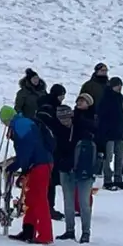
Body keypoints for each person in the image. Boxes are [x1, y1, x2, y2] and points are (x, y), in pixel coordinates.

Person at [0, 106, 53, 244]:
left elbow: (26, 148)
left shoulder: (20, 125)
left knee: (40, 199)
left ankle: (45, 235)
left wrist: (19, 166)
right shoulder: (23, 122)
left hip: (39, 164)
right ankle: (28, 230)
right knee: (31, 198)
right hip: (38, 163)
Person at [62, 94, 100, 243]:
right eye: (78, 100)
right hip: (68, 164)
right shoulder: (70, 118)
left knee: (84, 202)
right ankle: (69, 230)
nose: (79, 103)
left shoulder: (92, 121)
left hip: (85, 166)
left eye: (83, 101)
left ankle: (86, 232)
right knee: (68, 201)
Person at [35, 84, 68, 221]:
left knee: (49, 180)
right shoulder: (50, 109)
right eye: (61, 95)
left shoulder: (43, 107)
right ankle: (48, 207)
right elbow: (54, 128)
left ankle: (47, 206)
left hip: (44, 147)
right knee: (50, 180)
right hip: (50, 148)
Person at [98, 77, 123, 191]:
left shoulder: (120, 98)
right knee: (108, 157)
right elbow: (102, 117)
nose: (120, 87)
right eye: (117, 85)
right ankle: (107, 180)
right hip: (108, 134)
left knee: (120, 157)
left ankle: (118, 179)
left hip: (120, 133)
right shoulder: (106, 98)